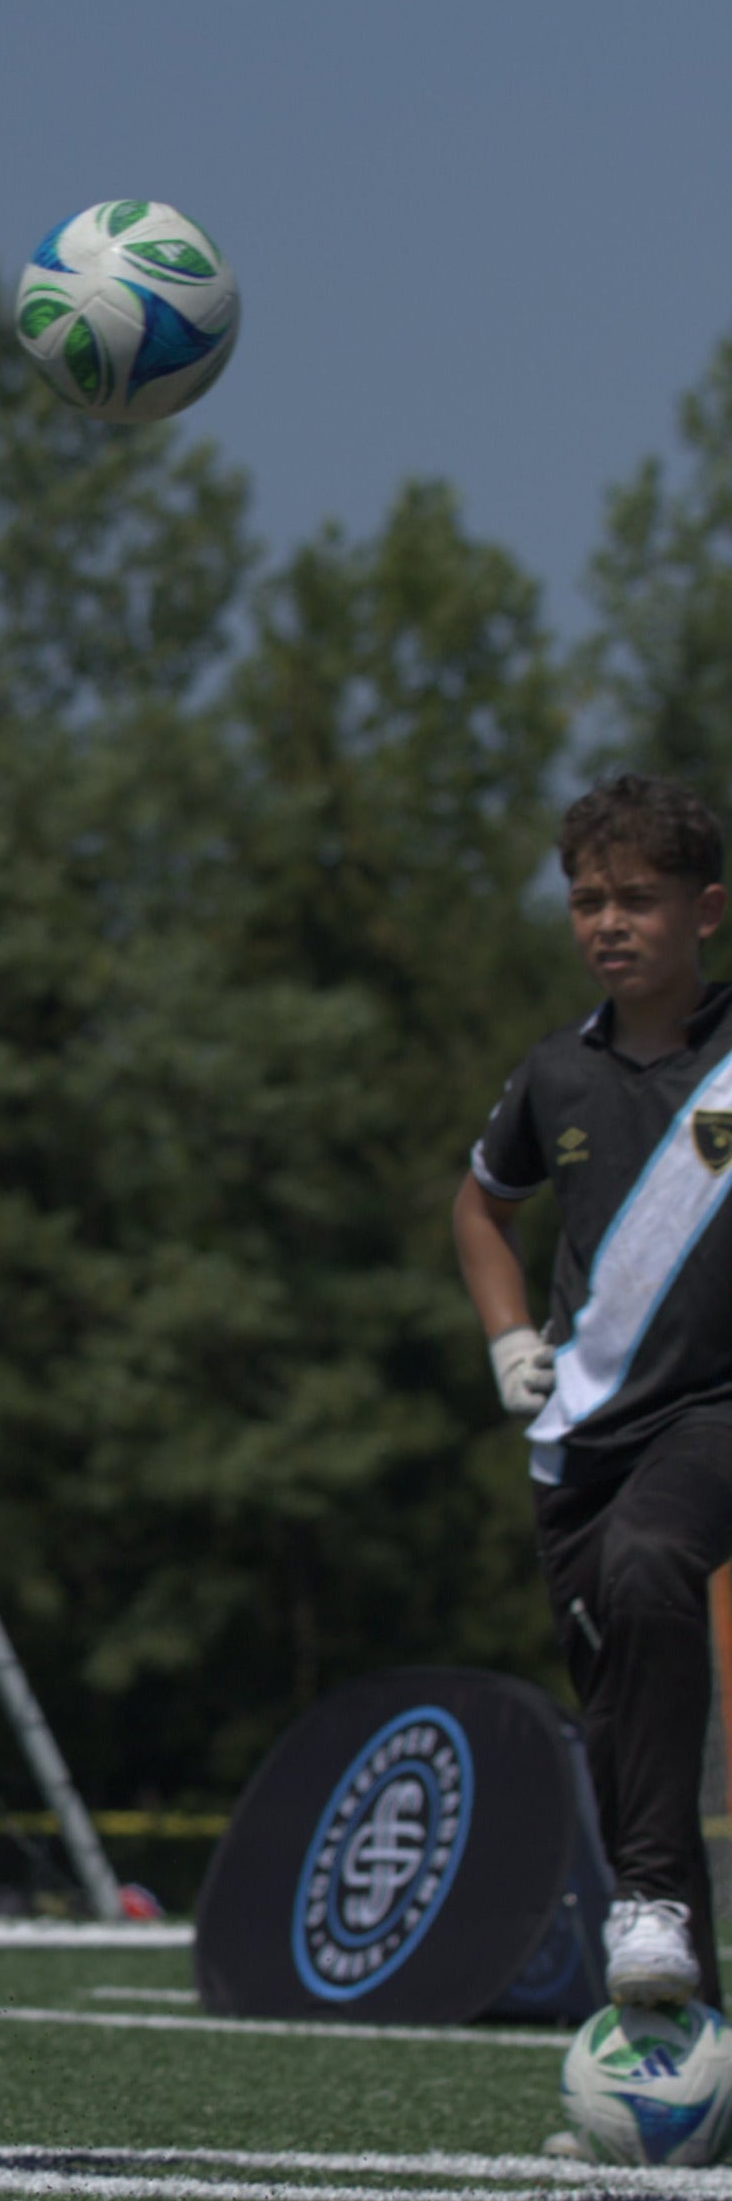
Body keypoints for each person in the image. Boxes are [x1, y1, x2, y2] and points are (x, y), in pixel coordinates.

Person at [458, 773, 732, 2012]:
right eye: (585, 901)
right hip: (579, 1439)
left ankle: (655, 1896)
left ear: (706, 909)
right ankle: (690, 2046)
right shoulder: (551, 1075)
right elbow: (479, 1205)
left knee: (648, 1564)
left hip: (712, 1412)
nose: (609, 922)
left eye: (638, 898)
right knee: (622, 1718)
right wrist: (509, 1337)